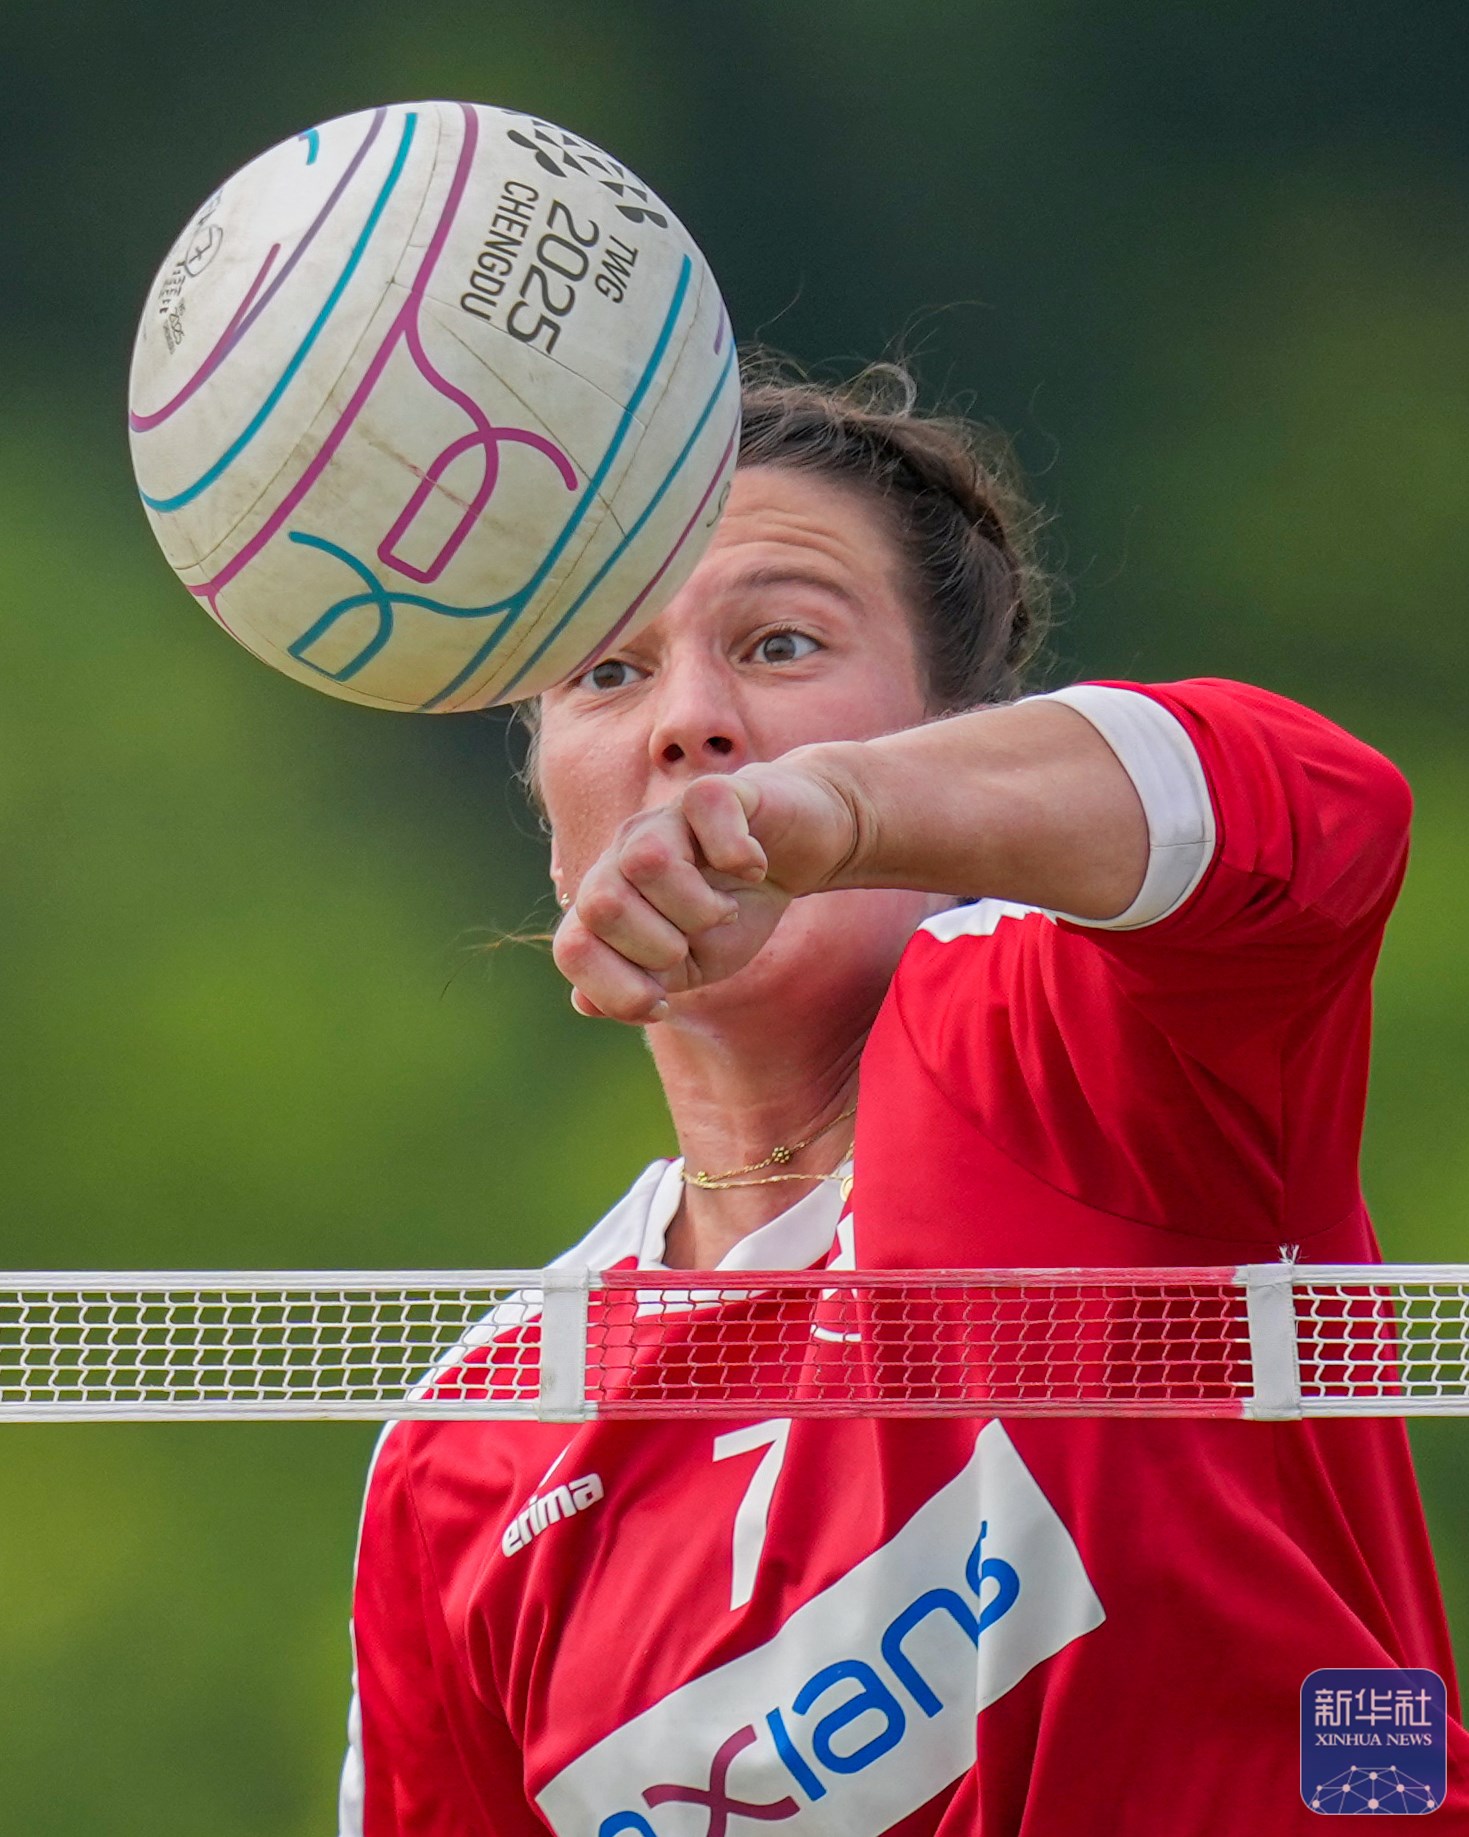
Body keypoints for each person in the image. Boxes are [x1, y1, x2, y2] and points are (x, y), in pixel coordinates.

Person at [339, 367, 1464, 1835]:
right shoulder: (470, 1448)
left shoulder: (1091, 1050)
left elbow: (1325, 805)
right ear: (555, 818)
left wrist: (840, 813)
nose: (690, 720)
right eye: (607, 674)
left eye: (782, 640)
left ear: (951, 738)